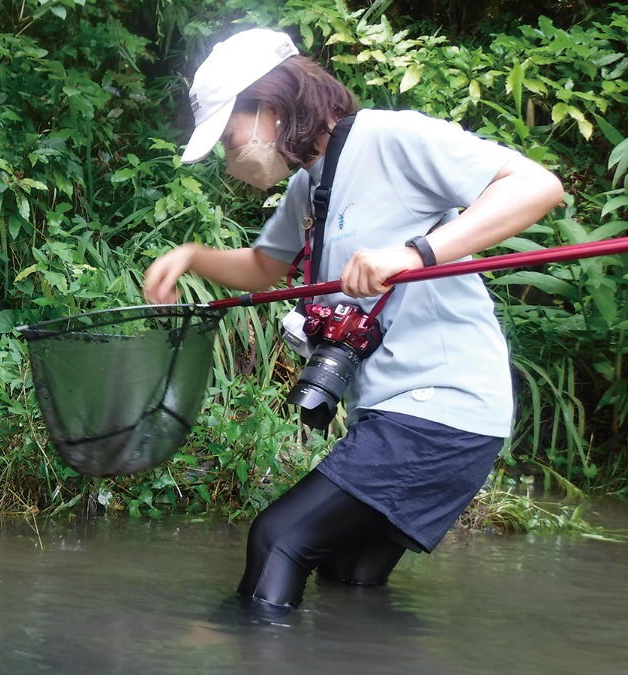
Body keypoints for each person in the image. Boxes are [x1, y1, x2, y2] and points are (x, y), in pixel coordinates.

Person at [143, 29, 565, 617]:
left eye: (229, 134)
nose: (229, 151)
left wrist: (415, 253)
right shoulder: (307, 185)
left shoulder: (390, 136)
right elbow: (265, 267)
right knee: (348, 576)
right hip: (403, 412)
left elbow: (537, 186)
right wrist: (189, 257)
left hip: (443, 406)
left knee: (278, 538)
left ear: (266, 108)